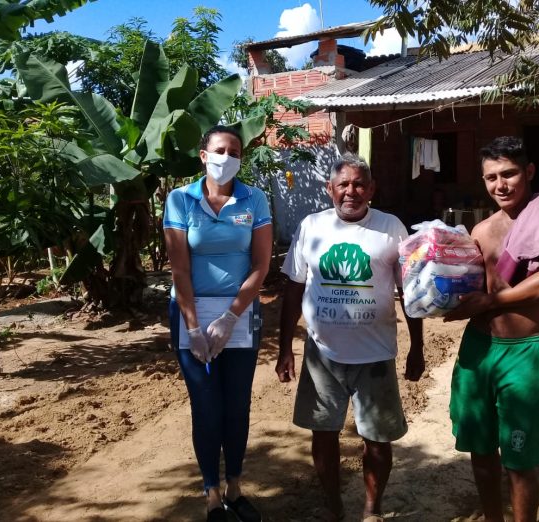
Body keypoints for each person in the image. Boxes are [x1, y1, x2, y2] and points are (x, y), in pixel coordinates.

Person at [276, 154, 425, 522]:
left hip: (375, 355)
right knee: (323, 434)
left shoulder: (391, 228)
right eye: (343, 184)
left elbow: (408, 292)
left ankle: (372, 509)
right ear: (330, 188)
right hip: (322, 355)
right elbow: (293, 289)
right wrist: (285, 348)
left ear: (371, 189)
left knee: (378, 439)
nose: (351, 191)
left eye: (359, 184)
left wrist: (417, 346)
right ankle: (334, 506)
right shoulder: (312, 226)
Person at [444, 136, 539, 522]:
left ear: (529, 171)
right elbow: (465, 287)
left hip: (526, 350)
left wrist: (491, 301)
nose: (500, 185)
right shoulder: (481, 231)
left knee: (520, 461)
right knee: (481, 451)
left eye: (509, 174)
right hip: (479, 349)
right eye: (491, 178)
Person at [163, 125, 272, 522]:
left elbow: (261, 265)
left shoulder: (253, 199)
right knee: (207, 405)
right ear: (204, 155)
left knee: (237, 406)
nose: (228, 157)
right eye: (221, 150)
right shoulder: (180, 200)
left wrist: (230, 316)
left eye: (235, 151)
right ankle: (211, 492)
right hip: (190, 313)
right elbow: (179, 270)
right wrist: (193, 327)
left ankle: (235, 488)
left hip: (240, 315)